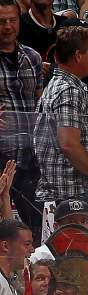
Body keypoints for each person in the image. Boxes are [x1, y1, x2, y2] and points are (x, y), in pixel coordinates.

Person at [33, 26, 88, 232]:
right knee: (79, 262)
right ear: (78, 55)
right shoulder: (68, 91)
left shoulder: (60, 86)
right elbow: (68, 143)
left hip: (69, 195)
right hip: (73, 198)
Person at [0, 0, 45, 233]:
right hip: (0, 155)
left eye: (12, 20)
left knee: (32, 226)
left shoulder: (33, 57)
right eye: (1, 21)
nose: (8, 26)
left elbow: (40, 101)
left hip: (29, 157)